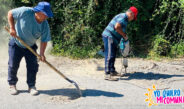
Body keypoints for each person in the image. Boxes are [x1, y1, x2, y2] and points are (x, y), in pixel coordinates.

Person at [7, 1, 53, 95]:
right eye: (45, 14)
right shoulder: (25, 12)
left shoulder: (45, 25)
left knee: (33, 67)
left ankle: (31, 86)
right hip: (16, 44)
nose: (46, 17)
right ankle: (12, 85)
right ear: (38, 12)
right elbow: (10, 13)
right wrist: (12, 28)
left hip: (31, 46)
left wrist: (42, 54)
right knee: (13, 65)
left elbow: (44, 40)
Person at [102, 6, 138, 81]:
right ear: (131, 14)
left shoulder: (124, 19)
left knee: (113, 54)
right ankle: (107, 74)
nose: (132, 19)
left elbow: (120, 29)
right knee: (109, 55)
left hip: (113, 38)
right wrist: (124, 35)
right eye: (133, 17)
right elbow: (117, 27)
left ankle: (112, 71)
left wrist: (123, 37)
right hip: (109, 36)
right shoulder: (123, 17)